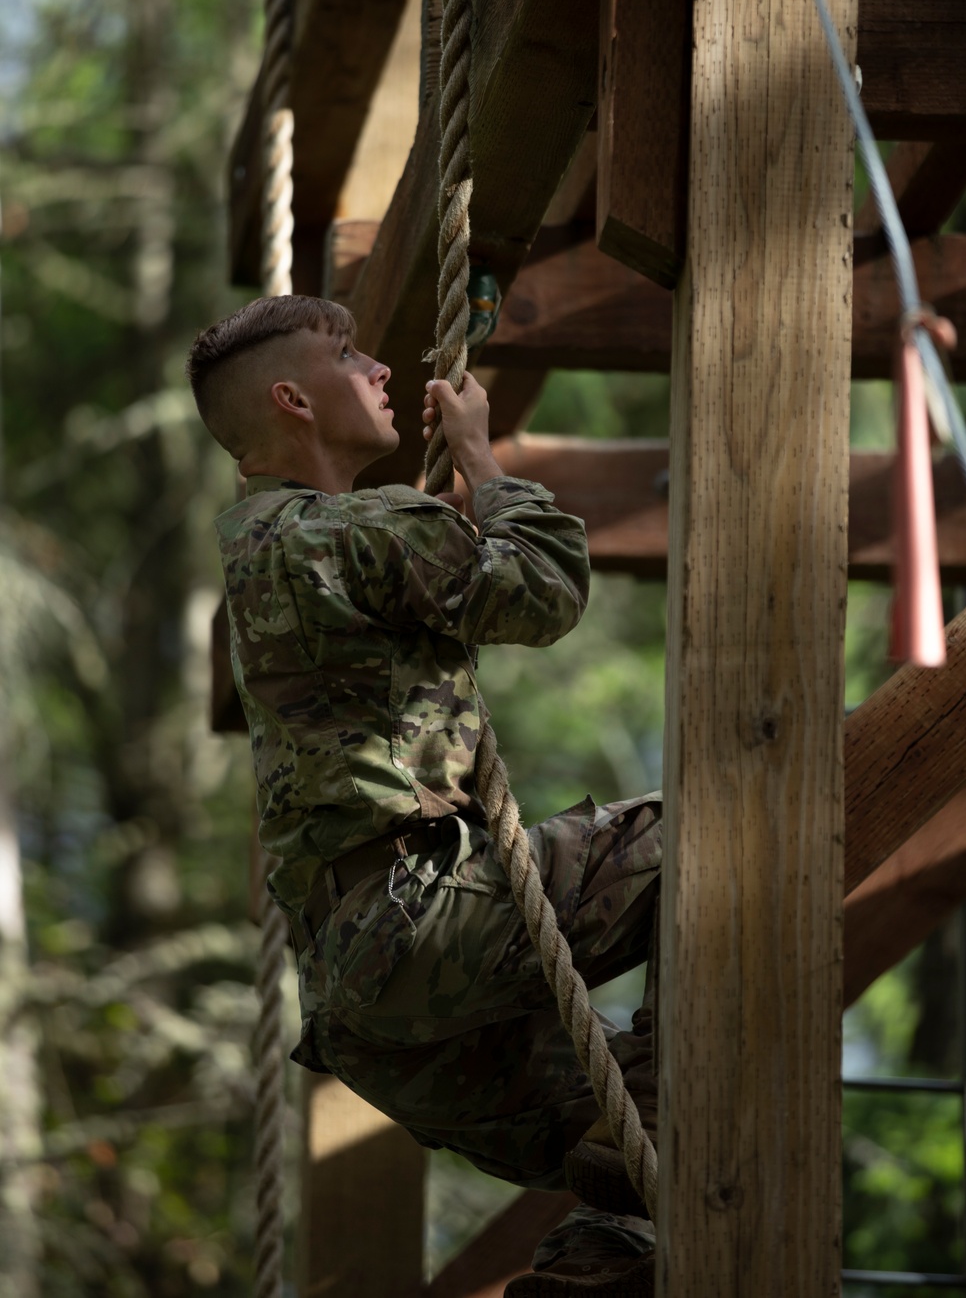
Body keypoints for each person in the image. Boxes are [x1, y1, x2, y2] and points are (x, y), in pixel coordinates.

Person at [186, 294, 660, 1296]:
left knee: (648, 1134)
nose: (381, 370)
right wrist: (482, 458)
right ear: (292, 401)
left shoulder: (260, 547)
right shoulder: (353, 529)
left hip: (370, 1011)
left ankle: (595, 1273)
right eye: (350, 356)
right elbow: (541, 590)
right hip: (426, 926)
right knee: (717, 845)